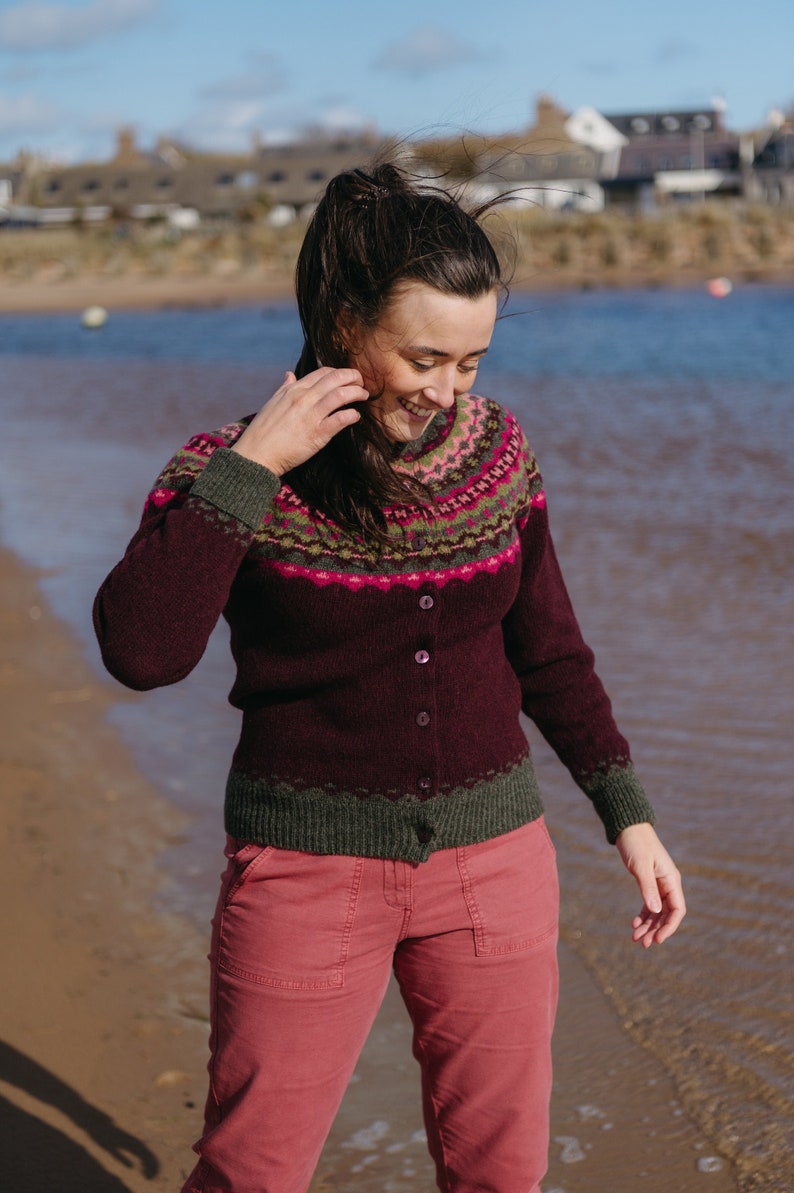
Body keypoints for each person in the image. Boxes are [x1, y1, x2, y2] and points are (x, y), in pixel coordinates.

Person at [93, 162, 686, 1193]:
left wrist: (624, 813)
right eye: (423, 355)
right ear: (340, 322)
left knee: (502, 1171)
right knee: (251, 1170)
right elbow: (142, 653)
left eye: (470, 360)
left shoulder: (496, 455)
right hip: (303, 868)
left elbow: (547, 647)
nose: (447, 389)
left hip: (494, 862)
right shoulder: (222, 472)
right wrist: (252, 465)